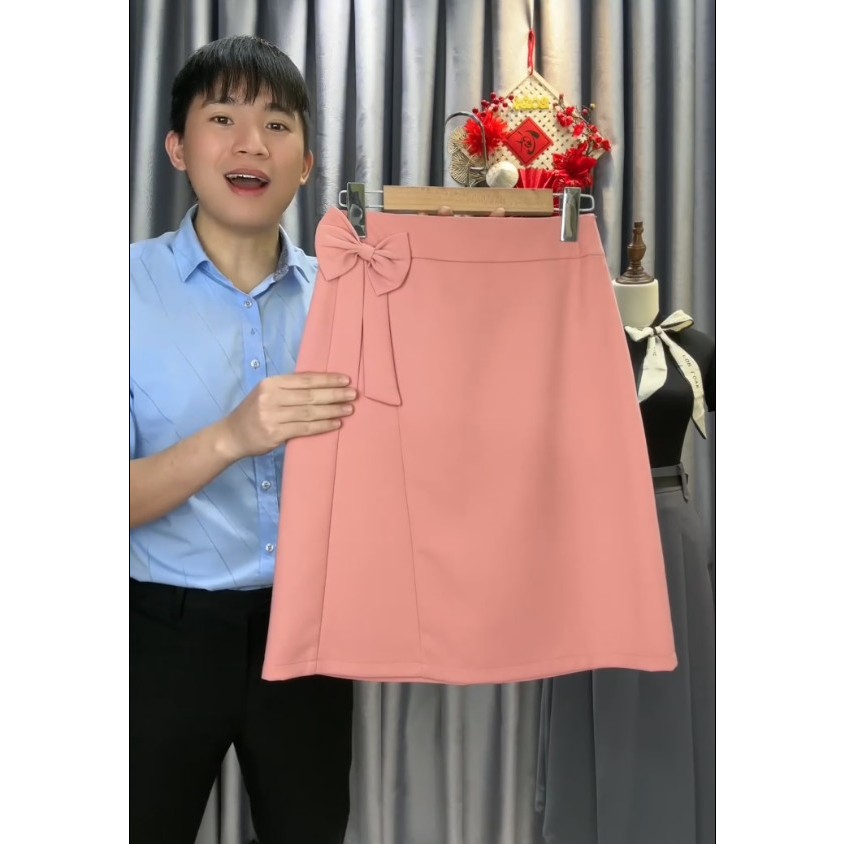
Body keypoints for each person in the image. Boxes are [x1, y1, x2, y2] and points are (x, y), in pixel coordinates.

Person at [130, 35, 357, 844]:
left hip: (311, 637)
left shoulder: (349, 300)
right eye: (222, 118)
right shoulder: (116, 292)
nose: (252, 143)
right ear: (177, 147)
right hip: (159, 635)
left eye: (278, 124)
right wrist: (232, 435)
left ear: (306, 164)